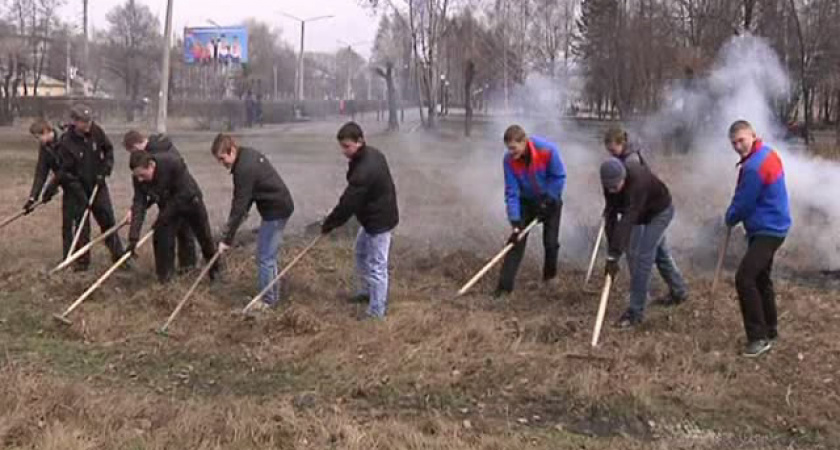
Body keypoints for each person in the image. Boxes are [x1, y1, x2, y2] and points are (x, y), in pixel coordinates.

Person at [725, 120, 791, 358]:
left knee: (744, 278)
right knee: (761, 277)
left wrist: (730, 217)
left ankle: (758, 338)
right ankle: (770, 329)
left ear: (752, 135)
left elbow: (744, 203)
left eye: (741, 140)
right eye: (733, 143)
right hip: (772, 225)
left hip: (769, 229)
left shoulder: (755, 165)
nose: (738, 146)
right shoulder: (765, 153)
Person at [321, 122, 399, 320]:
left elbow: (348, 202)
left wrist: (330, 223)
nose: (344, 151)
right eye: (342, 146)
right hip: (371, 217)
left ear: (360, 141)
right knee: (360, 251)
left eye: (347, 146)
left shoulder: (366, 168)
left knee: (377, 265)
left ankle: (376, 312)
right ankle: (366, 292)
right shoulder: (368, 155)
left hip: (379, 221)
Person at [600, 157, 689, 328]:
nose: (612, 190)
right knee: (660, 254)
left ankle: (635, 312)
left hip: (659, 212)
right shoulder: (609, 184)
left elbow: (627, 220)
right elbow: (611, 215)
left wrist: (616, 252)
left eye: (615, 186)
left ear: (623, 178)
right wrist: (612, 255)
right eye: (608, 187)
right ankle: (679, 292)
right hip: (642, 214)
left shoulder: (637, 182)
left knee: (643, 257)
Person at [211, 134, 295, 311]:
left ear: (231, 150)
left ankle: (269, 300)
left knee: (265, 257)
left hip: (276, 210)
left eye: (222, 158)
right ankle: (271, 294)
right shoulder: (246, 156)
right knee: (266, 256)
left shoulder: (244, 168)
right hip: (277, 207)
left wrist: (227, 239)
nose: (222, 163)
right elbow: (247, 196)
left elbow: (239, 204)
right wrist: (241, 216)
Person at [495, 125, 566, 296]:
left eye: (513, 148)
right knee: (516, 241)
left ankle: (550, 278)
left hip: (550, 200)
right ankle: (504, 288)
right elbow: (511, 191)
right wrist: (515, 220)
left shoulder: (547, 150)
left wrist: (549, 199)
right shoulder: (508, 161)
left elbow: (559, 176)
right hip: (526, 202)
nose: (511, 152)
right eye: (508, 148)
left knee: (550, 242)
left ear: (524, 141)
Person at [127, 151, 218, 283]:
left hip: (191, 202)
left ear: (151, 165)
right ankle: (165, 279)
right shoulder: (138, 178)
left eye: (142, 175)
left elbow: (185, 193)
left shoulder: (172, 163)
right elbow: (139, 205)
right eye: (137, 176)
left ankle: (215, 272)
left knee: (205, 238)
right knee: (161, 237)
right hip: (168, 206)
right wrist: (133, 238)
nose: (140, 179)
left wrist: (163, 217)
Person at [54, 104, 125, 271]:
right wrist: (79, 192)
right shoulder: (66, 142)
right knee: (81, 226)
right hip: (76, 190)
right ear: (74, 122)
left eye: (89, 121)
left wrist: (105, 170)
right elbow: (66, 172)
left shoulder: (97, 132)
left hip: (97, 185)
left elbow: (108, 151)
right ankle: (82, 263)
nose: (87, 125)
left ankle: (119, 256)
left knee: (107, 219)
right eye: (83, 122)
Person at [123, 130, 197, 272]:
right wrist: (133, 237)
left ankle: (188, 269)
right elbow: (143, 196)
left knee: (184, 231)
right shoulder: (143, 162)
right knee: (165, 234)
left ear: (136, 145)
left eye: (132, 151)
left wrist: (162, 213)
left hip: (182, 197)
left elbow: (167, 184)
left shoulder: (162, 154)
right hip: (166, 199)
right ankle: (166, 273)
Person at [23, 119, 74, 258]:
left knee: (100, 220)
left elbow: (66, 168)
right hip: (68, 187)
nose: (38, 140)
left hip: (83, 184)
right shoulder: (45, 147)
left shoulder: (65, 140)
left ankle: (120, 254)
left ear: (46, 131)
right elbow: (41, 172)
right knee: (67, 224)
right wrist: (33, 198)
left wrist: (51, 187)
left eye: (38, 137)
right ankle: (69, 257)